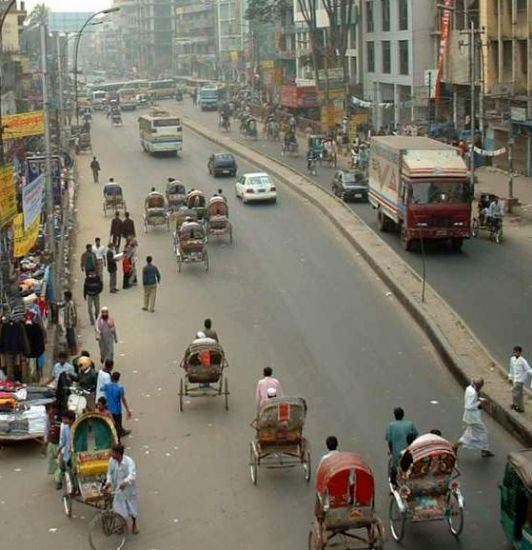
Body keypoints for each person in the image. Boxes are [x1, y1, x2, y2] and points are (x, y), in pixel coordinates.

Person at [104, 443, 139, 534]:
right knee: (118, 508)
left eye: (113, 453)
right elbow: (109, 473)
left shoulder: (129, 462)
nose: (112, 454)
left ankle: (134, 524)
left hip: (128, 490)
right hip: (118, 490)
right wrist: (108, 482)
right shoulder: (112, 461)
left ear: (119, 454)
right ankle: (122, 524)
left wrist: (125, 482)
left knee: (132, 507)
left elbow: (132, 475)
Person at [455, 377, 494, 458]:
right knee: (482, 432)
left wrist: (481, 399)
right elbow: (468, 406)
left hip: (471, 417)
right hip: (473, 417)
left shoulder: (469, 388)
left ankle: (484, 450)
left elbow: (474, 399)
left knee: (471, 433)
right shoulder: (473, 392)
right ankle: (484, 450)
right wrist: (480, 403)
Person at [385, 407, 418, 486]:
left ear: (394, 415)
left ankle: (394, 482)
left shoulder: (391, 426)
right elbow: (415, 435)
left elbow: (389, 441)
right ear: (403, 415)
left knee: (394, 465)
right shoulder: (410, 424)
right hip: (409, 451)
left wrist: (391, 450)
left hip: (397, 452)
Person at [103, 371, 132, 440]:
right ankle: (117, 441)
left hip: (109, 409)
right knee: (117, 426)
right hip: (117, 410)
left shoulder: (107, 386)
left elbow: (102, 389)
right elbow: (123, 399)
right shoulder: (120, 388)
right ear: (118, 379)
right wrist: (127, 409)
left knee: (110, 424)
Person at [55, 410, 76, 489]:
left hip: (76, 454)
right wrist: (59, 450)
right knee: (65, 468)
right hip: (67, 453)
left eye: (64, 419)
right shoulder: (65, 428)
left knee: (74, 471)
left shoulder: (77, 427)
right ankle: (70, 486)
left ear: (70, 420)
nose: (63, 420)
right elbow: (63, 441)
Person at [510, 346, 532, 413]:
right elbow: (511, 368)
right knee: (519, 394)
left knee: (514, 391)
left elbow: (528, 369)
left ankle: (516, 405)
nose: (514, 354)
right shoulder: (512, 359)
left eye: (516, 352)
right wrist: (510, 377)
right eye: (514, 352)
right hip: (515, 379)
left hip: (520, 380)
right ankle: (520, 407)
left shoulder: (523, 361)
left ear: (520, 353)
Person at [45, 402, 61, 476]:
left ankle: (59, 474)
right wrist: (47, 440)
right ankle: (56, 474)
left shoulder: (59, 418)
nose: (51, 410)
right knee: (53, 458)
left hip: (57, 442)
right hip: (52, 441)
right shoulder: (49, 416)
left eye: (52, 409)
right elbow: (47, 429)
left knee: (58, 459)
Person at [63, 290, 78, 356]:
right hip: (67, 323)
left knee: (71, 337)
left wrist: (74, 322)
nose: (64, 298)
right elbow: (61, 305)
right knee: (68, 337)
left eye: (65, 297)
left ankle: (74, 350)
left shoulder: (71, 304)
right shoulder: (66, 303)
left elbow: (74, 315)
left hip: (70, 324)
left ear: (68, 297)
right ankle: (70, 349)